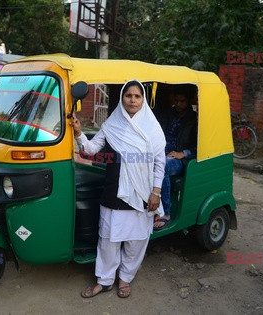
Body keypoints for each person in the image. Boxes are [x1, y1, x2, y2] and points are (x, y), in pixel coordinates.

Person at [72, 80, 166, 298]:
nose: (132, 100)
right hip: (114, 191)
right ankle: (105, 281)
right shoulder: (111, 125)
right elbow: (90, 150)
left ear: (143, 100)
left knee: (136, 241)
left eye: (137, 96)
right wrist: (78, 133)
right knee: (108, 240)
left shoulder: (152, 128)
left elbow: (159, 163)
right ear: (122, 99)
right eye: (128, 96)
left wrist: (156, 192)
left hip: (142, 194)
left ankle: (125, 278)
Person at [153, 89, 198, 230]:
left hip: (179, 160)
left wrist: (183, 153)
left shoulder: (194, 119)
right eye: (176, 100)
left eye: (182, 101)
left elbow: (202, 146)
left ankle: (165, 213)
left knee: (162, 166)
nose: (178, 104)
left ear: (189, 101)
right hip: (160, 152)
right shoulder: (168, 113)